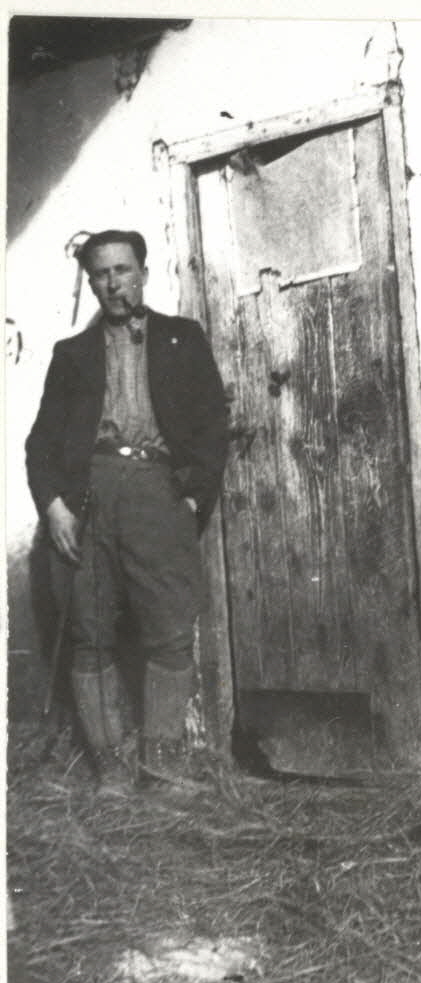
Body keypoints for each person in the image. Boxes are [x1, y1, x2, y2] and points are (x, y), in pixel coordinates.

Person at [25, 229, 229, 792]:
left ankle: (161, 766)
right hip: (88, 494)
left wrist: (191, 498)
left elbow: (214, 427)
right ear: (91, 283)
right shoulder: (71, 356)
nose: (113, 283)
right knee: (89, 631)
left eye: (122, 269)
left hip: (156, 491)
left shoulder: (182, 340)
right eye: (101, 274)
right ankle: (110, 768)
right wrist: (54, 508)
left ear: (143, 270)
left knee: (168, 629)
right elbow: (39, 444)